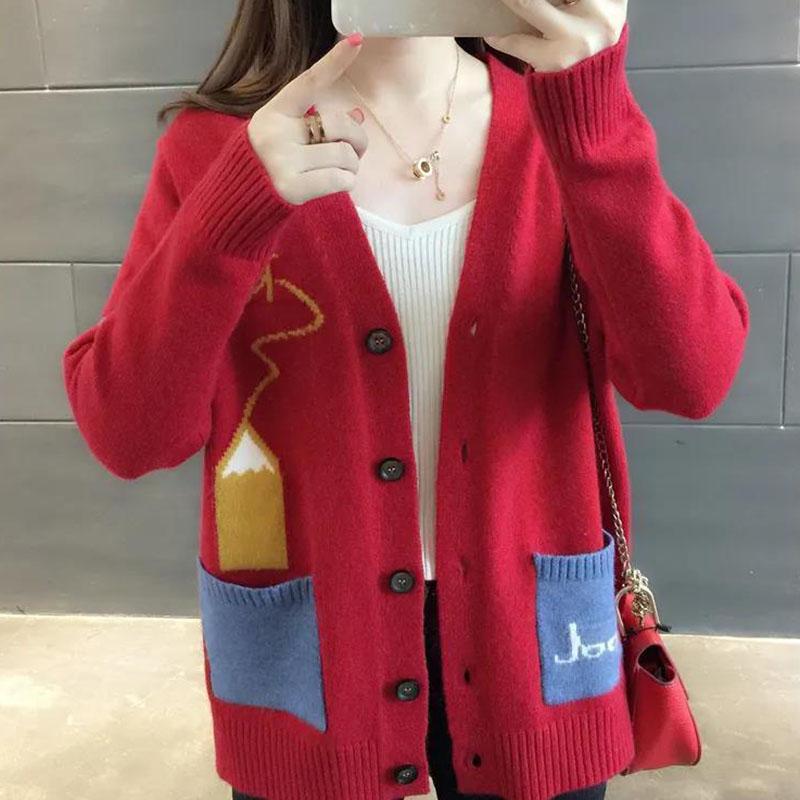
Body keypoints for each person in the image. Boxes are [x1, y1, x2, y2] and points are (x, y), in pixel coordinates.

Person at [61, 1, 750, 799]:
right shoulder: (219, 150)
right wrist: (232, 214)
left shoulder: (564, 126)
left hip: (532, 640)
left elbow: (692, 377)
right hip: (311, 656)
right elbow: (128, 433)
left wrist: (594, 124)